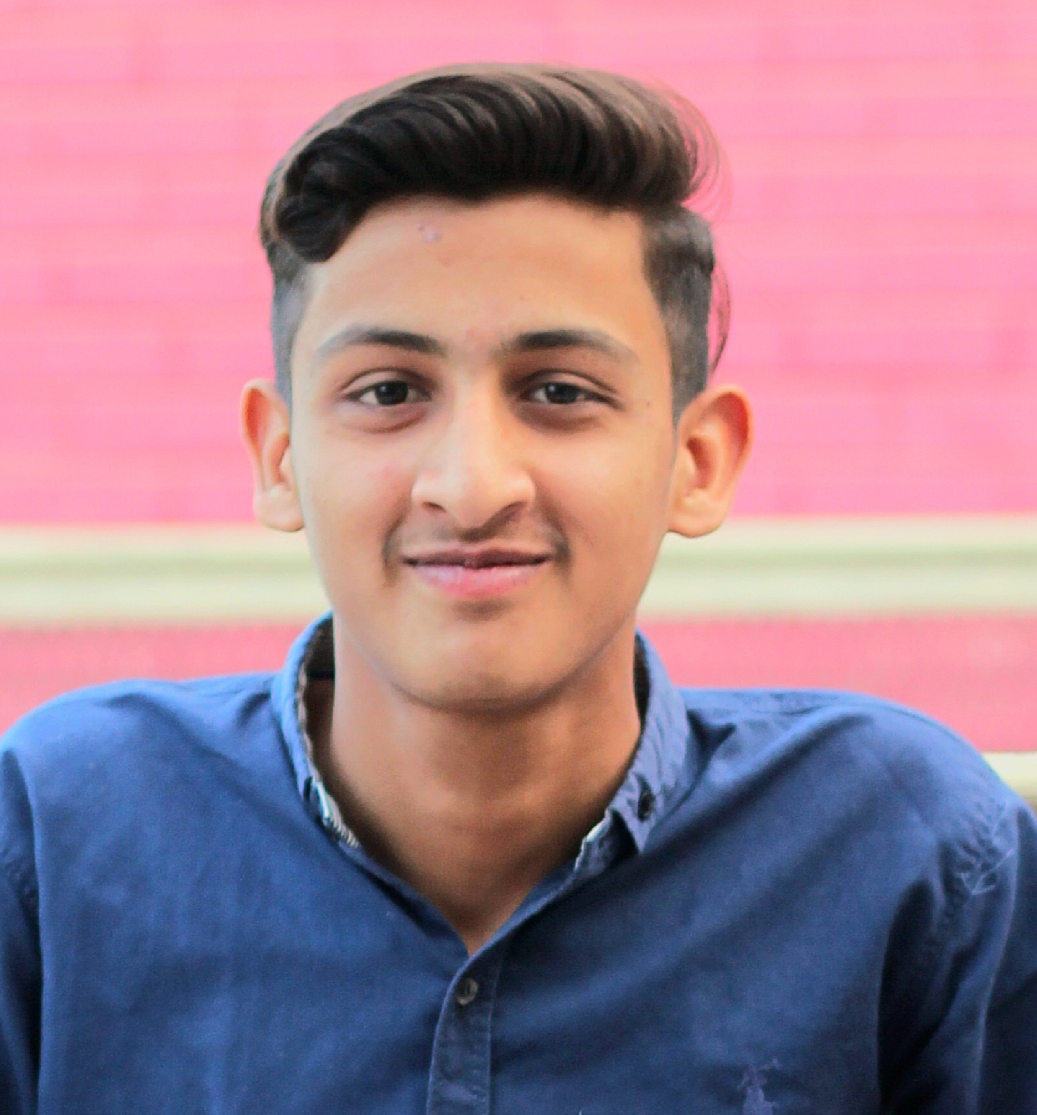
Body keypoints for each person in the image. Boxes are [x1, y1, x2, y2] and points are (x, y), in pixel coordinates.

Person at [1, 64, 1035, 1115]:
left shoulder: (906, 854)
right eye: (388, 391)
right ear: (279, 457)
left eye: (558, 391)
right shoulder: (62, 832)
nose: (471, 485)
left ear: (697, 459)